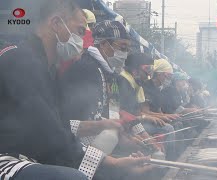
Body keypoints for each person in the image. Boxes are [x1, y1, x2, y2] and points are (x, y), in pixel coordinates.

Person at [0, 1, 150, 180]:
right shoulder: (20, 61)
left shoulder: (47, 70)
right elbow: (50, 136)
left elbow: (59, 129)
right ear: (56, 24)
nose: (83, 40)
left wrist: (112, 162)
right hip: (7, 157)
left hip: (31, 154)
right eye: (80, 31)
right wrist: (111, 164)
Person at [59, 20, 136, 155]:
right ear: (104, 44)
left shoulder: (110, 73)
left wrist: (124, 136)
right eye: (122, 47)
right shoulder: (86, 69)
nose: (126, 53)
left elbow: (112, 110)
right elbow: (78, 121)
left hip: (103, 141)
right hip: (75, 145)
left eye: (128, 49)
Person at [118, 53, 174, 159]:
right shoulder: (124, 82)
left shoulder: (134, 82)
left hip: (131, 124)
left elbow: (135, 115)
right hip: (122, 128)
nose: (149, 75)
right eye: (147, 70)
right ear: (135, 69)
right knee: (167, 129)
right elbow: (128, 116)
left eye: (151, 70)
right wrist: (147, 137)